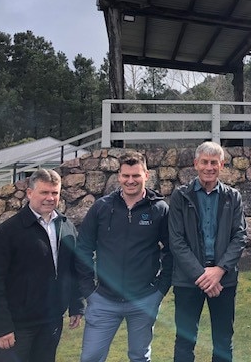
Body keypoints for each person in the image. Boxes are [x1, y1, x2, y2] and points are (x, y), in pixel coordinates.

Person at [76, 151, 172, 362]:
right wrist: (88, 290)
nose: (131, 181)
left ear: (146, 175)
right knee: (90, 357)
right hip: (103, 300)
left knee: (140, 357)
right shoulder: (102, 207)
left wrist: (160, 289)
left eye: (136, 175)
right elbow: (83, 247)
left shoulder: (159, 209)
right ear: (118, 176)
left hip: (144, 300)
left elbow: (171, 250)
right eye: (126, 175)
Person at [168, 141, 246, 362]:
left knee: (223, 341)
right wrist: (203, 276)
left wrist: (219, 271)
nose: (209, 167)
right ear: (196, 164)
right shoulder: (180, 196)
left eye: (214, 163)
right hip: (187, 280)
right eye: (205, 162)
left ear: (222, 165)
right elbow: (176, 240)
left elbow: (239, 237)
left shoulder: (233, 197)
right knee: (185, 340)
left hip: (224, 280)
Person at [0, 169, 83, 362]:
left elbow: (73, 269)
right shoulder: (7, 232)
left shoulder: (66, 227)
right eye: (44, 192)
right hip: (18, 326)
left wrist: (76, 304)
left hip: (52, 322)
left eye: (55, 193)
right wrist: (1, 327)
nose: (50, 198)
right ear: (29, 193)